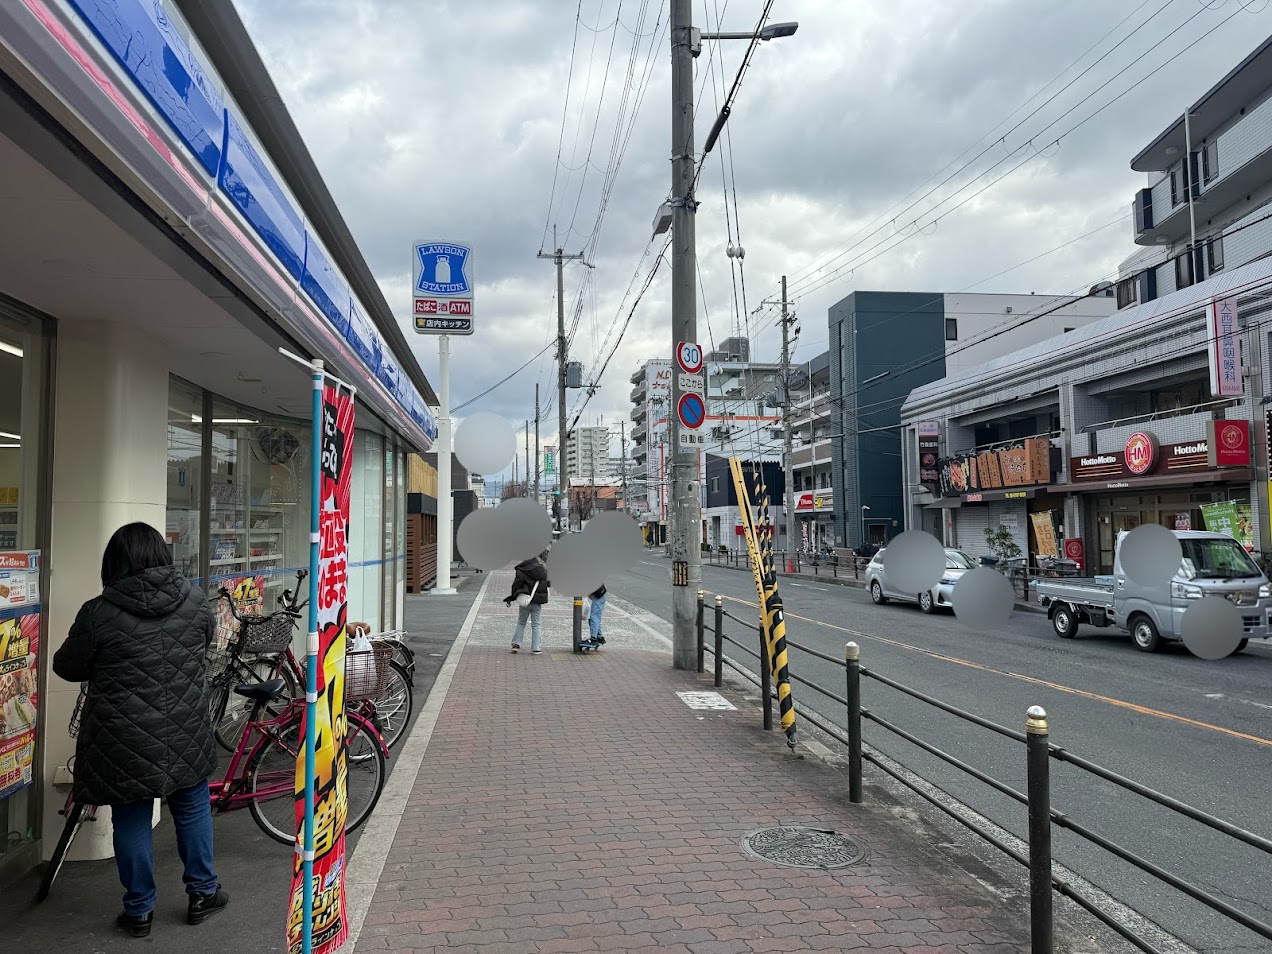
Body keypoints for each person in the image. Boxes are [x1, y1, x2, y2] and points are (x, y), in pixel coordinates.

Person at [53, 523, 228, 938]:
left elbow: (67, 665)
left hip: (122, 737)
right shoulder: (196, 602)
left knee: (130, 815)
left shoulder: (98, 612)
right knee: (192, 806)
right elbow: (205, 644)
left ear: (114, 562)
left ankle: (138, 912)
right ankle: (203, 893)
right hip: (186, 728)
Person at [504, 552, 550, 654]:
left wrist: (513, 596)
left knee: (521, 622)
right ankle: (536, 647)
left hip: (524, 599)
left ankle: (516, 644)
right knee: (536, 624)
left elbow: (516, 584)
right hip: (537, 600)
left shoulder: (522, 570)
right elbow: (549, 583)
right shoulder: (542, 569)